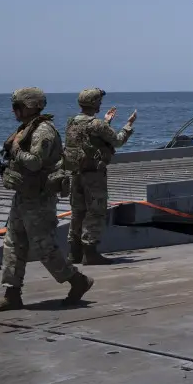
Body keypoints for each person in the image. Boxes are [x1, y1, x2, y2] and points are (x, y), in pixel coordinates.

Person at [0, 88, 93, 313]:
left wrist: (15, 150)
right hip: (24, 195)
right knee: (13, 243)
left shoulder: (44, 131)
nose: (14, 111)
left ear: (30, 106)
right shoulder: (27, 128)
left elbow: (34, 162)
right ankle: (12, 294)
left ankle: (77, 280)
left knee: (44, 248)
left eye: (18, 106)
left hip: (40, 198)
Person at [64, 88, 136, 264]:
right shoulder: (96, 124)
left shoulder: (72, 121)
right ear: (94, 103)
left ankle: (74, 253)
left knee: (77, 213)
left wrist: (106, 122)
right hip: (94, 175)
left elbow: (88, 141)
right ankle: (90, 253)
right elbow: (117, 141)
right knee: (95, 212)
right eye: (98, 101)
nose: (100, 104)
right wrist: (128, 125)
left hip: (76, 173)